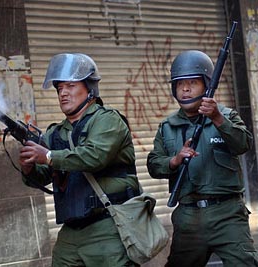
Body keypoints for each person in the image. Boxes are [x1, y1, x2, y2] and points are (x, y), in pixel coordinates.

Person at [19, 53, 141, 267]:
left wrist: (47, 156)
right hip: (72, 229)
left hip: (108, 224)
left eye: (70, 86)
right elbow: (45, 176)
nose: (63, 93)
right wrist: (29, 168)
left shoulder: (108, 120)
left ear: (89, 89)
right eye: (59, 89)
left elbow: (94, 157)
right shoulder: (55, 133)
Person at [146, 50, 258, 267]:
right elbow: (153, 164)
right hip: (188, 216)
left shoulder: (226, 116)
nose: (185, 89)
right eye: (180, 84)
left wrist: (217, 118)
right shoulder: (168, 127)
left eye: (192, 83)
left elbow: (243, 144)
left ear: (207, 86)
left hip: (227, 214)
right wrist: (174, 161)